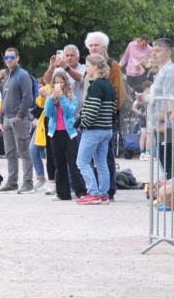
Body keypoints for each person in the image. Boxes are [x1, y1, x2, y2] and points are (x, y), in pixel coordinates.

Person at [82, 31, 126, 200]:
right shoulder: (91, 70)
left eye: (96, 45)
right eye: (91, 45)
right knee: (100, 160)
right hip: (99, 120)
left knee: (101, 158)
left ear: (104, 47)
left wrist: (106, 116)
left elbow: (119, 95)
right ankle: (103, 192)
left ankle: (103, 191)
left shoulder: (112, 66)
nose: (93, 48)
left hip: (100, 121)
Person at [138, 38, 174, 180]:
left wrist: (162, 123)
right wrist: (145, 98)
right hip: (161, 124)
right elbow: (159, 97)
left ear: (168, 53)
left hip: (168, 126)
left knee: (170, 164)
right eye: (153, 51)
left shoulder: (170, 72)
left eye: (158, 51)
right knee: (166, 162)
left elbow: (168, 100)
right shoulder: (163, 71)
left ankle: (172, 192)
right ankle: (170, 190)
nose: (153, 54)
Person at [76, 54, 117, 205]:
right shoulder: (109, 85)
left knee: (82, 162)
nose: (86, 69)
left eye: (87, 66)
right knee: (101, 163)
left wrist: (82, 124)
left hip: (94, 129)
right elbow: (113, 109)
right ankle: (103, 194)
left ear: (95, 67)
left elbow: (92, 110)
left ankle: (93, 193)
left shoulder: (96, 85)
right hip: (106, 129)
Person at [0, 48, 35, 193]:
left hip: (19, 120)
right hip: (6, 119)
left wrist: (19, 116)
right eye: (6, 57)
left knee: (24, 152)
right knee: (10, 153)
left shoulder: (23, 75)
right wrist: (0, 121)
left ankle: (28, 183)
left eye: (12, 57)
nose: (9, 60)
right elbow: (3, 100)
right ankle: (12, 182)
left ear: (18, 58)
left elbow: (28, 98)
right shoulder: (7, 76)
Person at [43, 70, 79, 200]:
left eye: (61, 82)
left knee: (73, 163)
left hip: (69, 134)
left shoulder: (71, 97)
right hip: (55, 133)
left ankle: (80, 191)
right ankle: (63, 193)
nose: (58, 85)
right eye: (56, 82)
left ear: (65, 83)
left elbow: (70, 112)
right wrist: (50, 99)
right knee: (59, 164)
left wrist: (62, 97)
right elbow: (48, 113)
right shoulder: (51, 97)